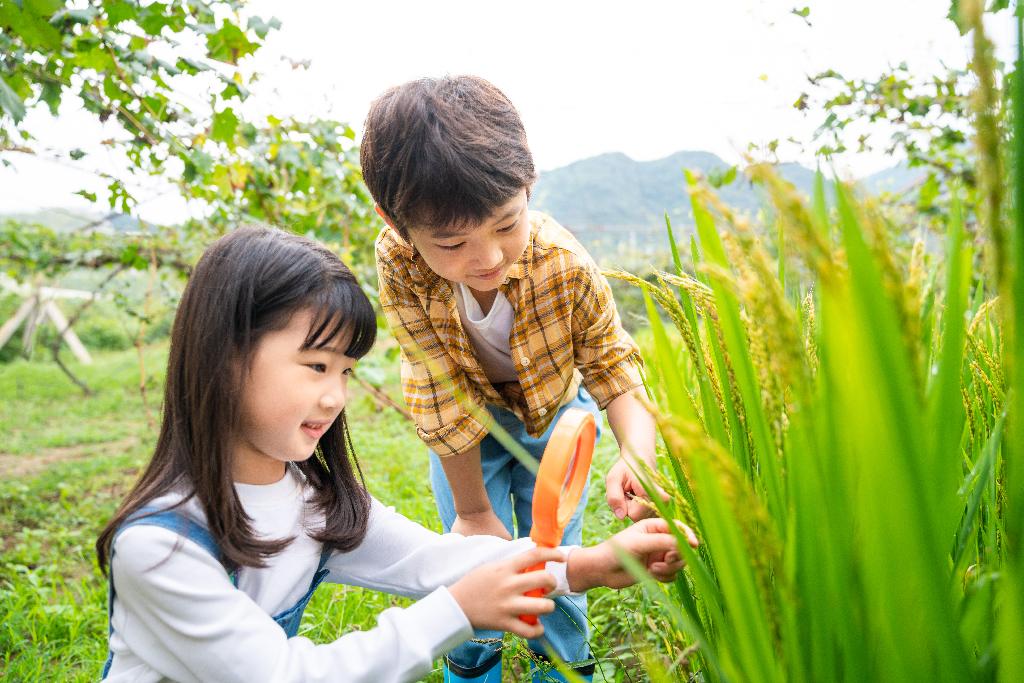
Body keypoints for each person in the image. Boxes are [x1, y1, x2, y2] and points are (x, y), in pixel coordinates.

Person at [94, 227, 697, 683]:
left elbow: (434, 561)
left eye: (345, 372)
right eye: (314, 366)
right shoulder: (160, 547)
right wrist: (456, 612)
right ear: (224, 357)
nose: (334, 396)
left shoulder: (310, 499)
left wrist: (587, 566)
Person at [362, 75, 664, 681]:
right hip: (466, 438)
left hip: (557, 424)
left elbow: (610, 362)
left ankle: (564, 667)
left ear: (529, 187)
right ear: (395, 224)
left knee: (556, 553)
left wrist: (638, 452)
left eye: (506, 223)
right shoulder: (400, 266)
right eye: (452, 242)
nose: (488, 258)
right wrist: (473, 510)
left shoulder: (564, 264)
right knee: (472, 562)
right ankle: (473, 669)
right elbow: (437, 388)